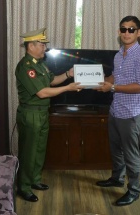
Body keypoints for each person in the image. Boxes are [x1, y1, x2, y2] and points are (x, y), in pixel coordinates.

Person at [15, 28, 83, 202]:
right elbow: (42, 93)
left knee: (39, 150)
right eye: (42, 44)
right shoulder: (26, 66)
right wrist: (68, 88)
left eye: (44, 45)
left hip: (42, 114)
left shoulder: (39, 64)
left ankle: (35, 180)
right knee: (28, 152)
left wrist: (68, 74)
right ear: (31, 46)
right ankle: (23, 187)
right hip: (31, 114)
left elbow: (52, 80)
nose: (45, 48)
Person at [95, 16, 140, 206]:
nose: (126, 33)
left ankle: (134, 190)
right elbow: (114, 76)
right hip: (116, 110)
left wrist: (111, 88)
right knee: (116, 149)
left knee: (131, 154)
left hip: (132, 113)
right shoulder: (119, 54)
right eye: (123, 29)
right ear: (119, 32)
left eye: (131, 29)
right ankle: (117, 179)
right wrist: (101, 82)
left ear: (139, 32)